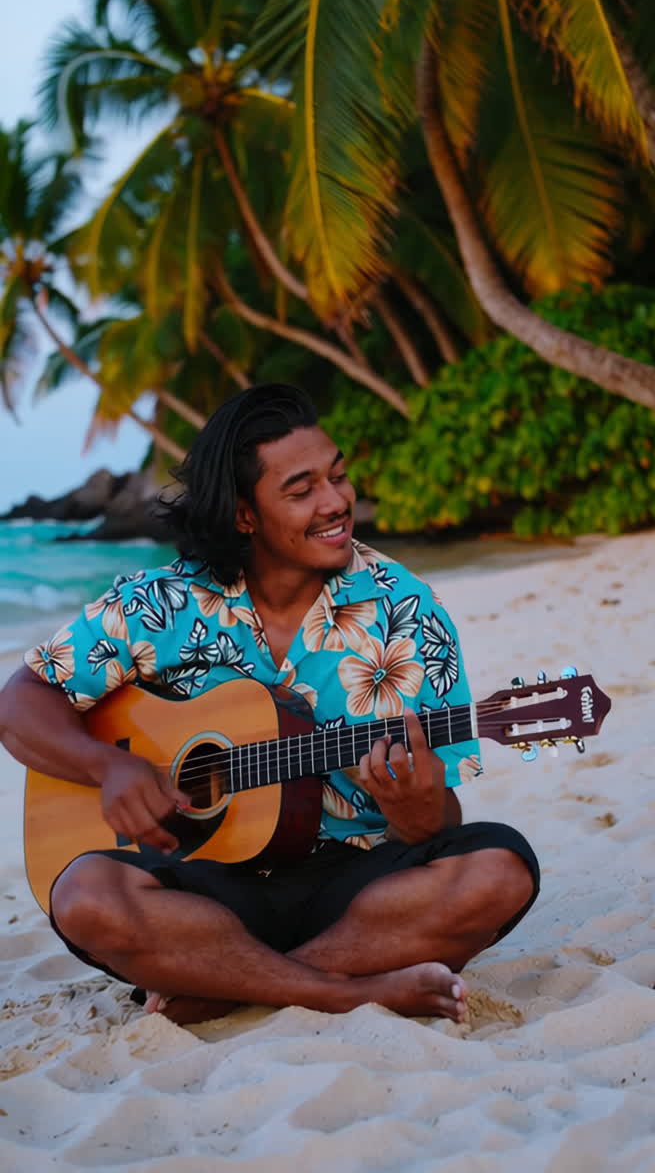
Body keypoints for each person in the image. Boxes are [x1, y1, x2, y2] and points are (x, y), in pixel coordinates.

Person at [0, 385, 539, 1026]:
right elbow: (22, 702)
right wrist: (106, 765)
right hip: (205, 886)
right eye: (302, 489)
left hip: (355, 884)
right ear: (244, 515)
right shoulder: (159, 603)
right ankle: (338, 990)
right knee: (85, 895)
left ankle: (227, 984)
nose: (335, 502)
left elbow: (438, 821)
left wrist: (416, 813)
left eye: (337, 476)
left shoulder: (407, 610)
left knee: (500, 869)